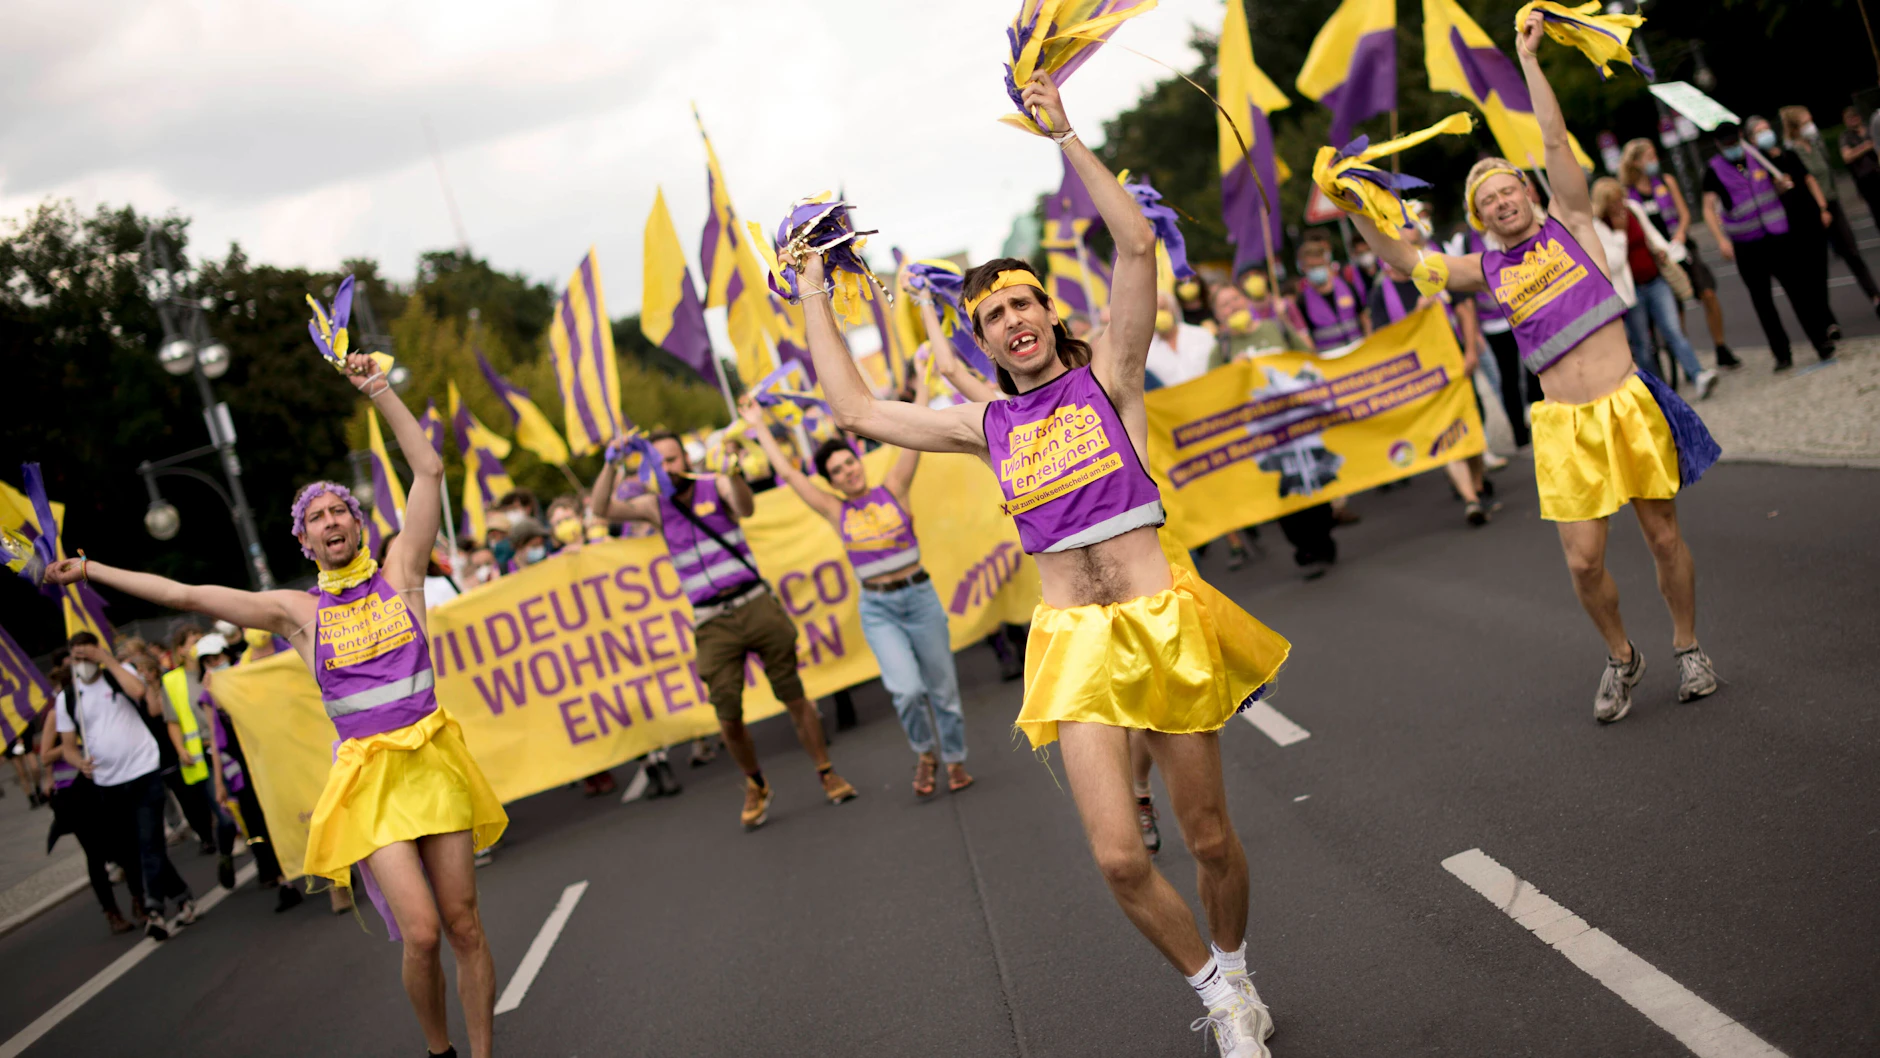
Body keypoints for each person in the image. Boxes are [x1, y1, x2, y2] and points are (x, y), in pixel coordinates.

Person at [797, 72, 1290, 1057]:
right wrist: (810, 280)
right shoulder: (984, 422)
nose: (1013, 318)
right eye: (994, 314)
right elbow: (852, 409)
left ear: (1046, 311)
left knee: (1204, 838)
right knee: (1116, 855)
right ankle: (1215, 991)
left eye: (1024, 302)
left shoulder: (1108, 374)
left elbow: (1138, 246)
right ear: (981, 339)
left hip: (1158, 619)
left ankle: (1235, 965)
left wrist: (1063, 133)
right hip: (1070, 644)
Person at [46, 350, 507, 1058]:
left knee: (465, 924)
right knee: (420, 932)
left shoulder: (403, 574)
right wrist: (92, 572)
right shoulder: (296, 612)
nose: (330, 521)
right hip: (369, 779)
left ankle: (482, 1053)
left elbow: (429, 472)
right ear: (303, 538)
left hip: (434, 759)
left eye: (340, 510)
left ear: (357, 522)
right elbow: (187, 596)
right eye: (316, 516)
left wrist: (377, 390)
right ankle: (438, 1049)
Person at [1349, 11, 1722, 724]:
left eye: (1508, 190)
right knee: (1583, 562)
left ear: (1526, 191)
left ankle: (1688, 645)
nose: (1502, 201)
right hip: (1565, 428)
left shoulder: (1574, 223)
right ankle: (1621, 655)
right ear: (1480, 217)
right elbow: (1405, 260)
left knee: (1664, 535)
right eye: (1487, 200)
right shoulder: (1484, 269)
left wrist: (1530, 61)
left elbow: (1552, 137)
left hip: (1626, 403)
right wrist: (1352, 202)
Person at [590, 430, 857, 832]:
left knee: (794, 695)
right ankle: (755, 783)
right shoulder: (653, 506)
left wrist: (732, 474)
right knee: (727, 713)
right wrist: (611, 462)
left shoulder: (714, 485)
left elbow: (745, 508)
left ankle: (826, 771)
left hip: (754, 603)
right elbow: (601, 508)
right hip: (711, 621)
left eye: (673, 458)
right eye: (658, 462)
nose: (668, 468)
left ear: (686, 459)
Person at [739, 389, 975, 797]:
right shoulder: (835, 511)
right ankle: (925, 753)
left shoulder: (894, 488)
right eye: (838, 471)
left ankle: (954, 759)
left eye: (850, 462)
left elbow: (911, 436)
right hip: (879, 609)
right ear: (831, 482)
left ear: (858, 460)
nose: (849, 472)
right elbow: (794, 478)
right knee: (906, 691)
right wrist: (759, 428)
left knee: (943, 690)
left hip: (919, 597)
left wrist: (919, 383)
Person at [53, 632, 197, 939]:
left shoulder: (119, 676)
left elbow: (139, 692)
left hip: (143, 770)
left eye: (87, 655)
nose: (83, 663)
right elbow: (67, 746)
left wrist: (104, 659)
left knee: (148, 840)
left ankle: (154, 908)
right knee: (135, 848)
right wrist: (79, 763)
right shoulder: (67, 698)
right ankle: (182, 896)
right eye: (77, 658)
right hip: (108, 782)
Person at [1364, 221, 1497, 525]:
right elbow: (1386, 339)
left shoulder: (1433, 271)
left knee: (1471, 422)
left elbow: (1464, 308)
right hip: (1424, 375)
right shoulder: (1381, 293)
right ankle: (1471, 499)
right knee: (1443, 431)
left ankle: (1477, 480)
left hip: (1455, 363)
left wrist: (1471, 351)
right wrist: (1417, 315)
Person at [1701, 121, 1835, 370]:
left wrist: (1780, 186)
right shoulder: (1714, 170)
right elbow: (1708, 207)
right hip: (1746, 244)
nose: (1731, 147)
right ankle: (1782, 354)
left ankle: (1821, 342)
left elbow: (1778, 183)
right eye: (1726, 144)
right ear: (1719, 145)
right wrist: (1720, 239)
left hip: (1777, 236)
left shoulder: (1758, 155)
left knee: (1799, 291)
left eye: (1734, 142)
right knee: (1762, 301)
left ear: (1740, 137)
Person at [196, 637, 303, 910]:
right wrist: (219, 782)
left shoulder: (249, 678)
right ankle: (283, 881)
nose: (214, 665)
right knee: (259, 826)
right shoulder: (209, 694)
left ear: (227, 655)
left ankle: (332, 869)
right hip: (244, 772)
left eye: (217, 658)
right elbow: (217, 742)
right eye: (208, 662)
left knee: (297, 813)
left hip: (272, 761)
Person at [1617, 138, 1740, 370]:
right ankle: (1686, 358)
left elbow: (1684, 213)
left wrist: (1681, 234)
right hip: (1658, 257)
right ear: (1635, 162)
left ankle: (1721, 347)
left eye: (1655, 155)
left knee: (1707, 292)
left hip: (1681, 247)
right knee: (1675, 310)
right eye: (1649, 157)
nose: (1655, 161)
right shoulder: (1628, 194)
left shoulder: (1665, 181)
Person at [1590, 178, 1716, 396]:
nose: (1620, 207)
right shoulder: (1598, 226)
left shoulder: (1633, 210)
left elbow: (1651, 234)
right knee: (1643, 343)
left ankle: (1697, 374)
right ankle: (1658, 391)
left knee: (1673, 330)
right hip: (1631, 291)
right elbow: (1614, 262)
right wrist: (1620, 233)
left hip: (1655, 280)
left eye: (1621, 200)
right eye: (1614, 203)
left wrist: (1663, 250)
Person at [40, 653, 135, 933]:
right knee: (95, 854)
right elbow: (45, 756)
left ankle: (140, 899)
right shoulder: (57, 713)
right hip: (74, 794)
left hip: (102, 783)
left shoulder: (94, 705)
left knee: (122, 845)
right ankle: (111, 912)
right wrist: (72, 741)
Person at [1778, 106, 1880, 319]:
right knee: (1817, 266)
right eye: (1806, 121)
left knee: (1852, 252)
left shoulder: (1816, 144)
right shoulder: (1790, 153)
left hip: (1832, 204)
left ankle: (1875, 297)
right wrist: (1820, 208)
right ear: (1796, 127)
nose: (1811, 125)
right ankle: (1824, 316)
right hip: (1812, 211)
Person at [1295, 238, 1366, 354]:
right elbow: (1306, 335)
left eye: (1320, 265)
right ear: (1303, 268)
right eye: (1312, 267)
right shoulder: (1302, 301)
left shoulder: (1347, 286)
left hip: (1359, 350)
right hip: (1330, 358)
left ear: (1327, 263)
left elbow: (1363, 316)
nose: (1317, 270)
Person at [1144, 289, 1215, 390]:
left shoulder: (1202, 335)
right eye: (1153, 312)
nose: (1158, 315)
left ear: (1173, 309)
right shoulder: (1146, 355)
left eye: (1162, 308)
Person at [1840, 105, 1880, 225]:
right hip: (1866, 179)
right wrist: (1866, 146)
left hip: (1878, 171)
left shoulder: (1870, 129)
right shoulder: (1846, 136)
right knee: (1876, 210)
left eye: (1853, 118)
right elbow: (1847, 156)